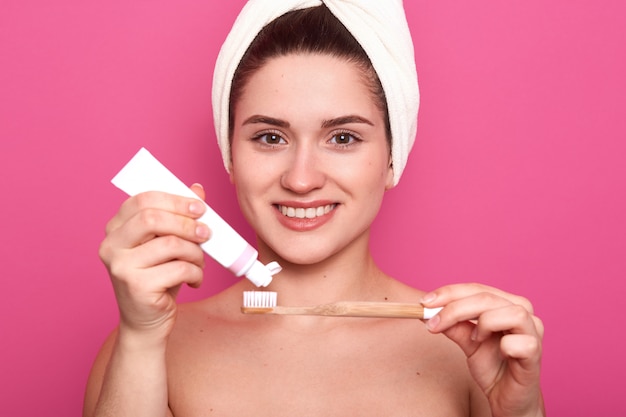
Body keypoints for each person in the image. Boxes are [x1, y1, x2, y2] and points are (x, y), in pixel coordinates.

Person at [83, 1, 545, 416]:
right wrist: (141, 341)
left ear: (392, 157)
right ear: (230, 156)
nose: (301, 179)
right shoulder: (152, 348)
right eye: (270, 137)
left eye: (342, 138)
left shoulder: (467, 355)